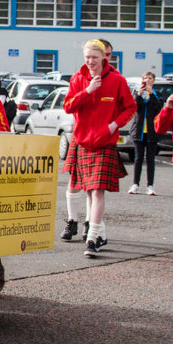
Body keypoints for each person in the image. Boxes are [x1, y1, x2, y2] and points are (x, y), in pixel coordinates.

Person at [60, 39, 135, 257]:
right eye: (87, 58)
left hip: (104, 142)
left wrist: (113, 125)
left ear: (104, 57)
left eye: (94, 57)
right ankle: (90, 230)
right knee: (86, 190)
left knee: (97, 190)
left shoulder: (117, 80)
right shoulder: (78, 79)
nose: (91, 62)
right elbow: (68, 106)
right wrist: (88, 91)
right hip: (83, 141)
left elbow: (130, 107)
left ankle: (92, 237)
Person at [129, 71, 163, 196]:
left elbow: (158, 108)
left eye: (150, 78)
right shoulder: (137, 93)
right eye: (145, 78)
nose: (147, 80)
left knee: (150, 159)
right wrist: (139, 94)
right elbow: (135, 107)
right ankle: (135, 184)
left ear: (153, 80)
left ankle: (150, 185)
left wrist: (150, 94)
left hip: (152, 132)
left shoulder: (157, 94)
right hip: (139, 131)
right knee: (138, 158)